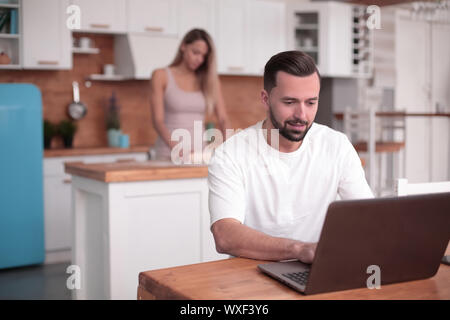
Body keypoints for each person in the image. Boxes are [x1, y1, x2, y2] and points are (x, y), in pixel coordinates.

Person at [208, 51, 374, 264]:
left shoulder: (337, 145)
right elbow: (225, 235)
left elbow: (368, 218)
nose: (302, 115)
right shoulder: (230, 154)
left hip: (315, 272)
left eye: (311, 102)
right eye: (290, 102)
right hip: (251, 278)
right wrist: (299, 249)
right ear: (266, 99)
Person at [150, 29, 230, 161]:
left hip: (199, 156)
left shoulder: (210, 81)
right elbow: (157, 121)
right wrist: (178, 149)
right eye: (195, 52)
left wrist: (230, 146)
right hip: (169, 154)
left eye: (204, 56)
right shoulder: (161, 76)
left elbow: (223, 118)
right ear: (183, 46)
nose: (199, 59)